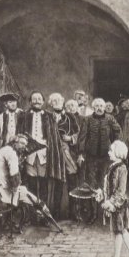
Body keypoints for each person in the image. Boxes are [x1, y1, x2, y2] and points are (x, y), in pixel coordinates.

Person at [96, 140, 129, 257]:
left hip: (119, 206)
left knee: (123, 231)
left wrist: (112, 203)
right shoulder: (112, 167)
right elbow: (108, 186)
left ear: (118, 153)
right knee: (117, 231)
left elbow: (121, 191)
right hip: (114, 205)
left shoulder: (122, 168)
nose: (108, 153)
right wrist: (102, 194)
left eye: (111, 150)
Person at [17, 91, 65, 210]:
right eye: (34, 99)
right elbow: (19, 133)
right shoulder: (24, 116)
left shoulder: (49, 116)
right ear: (30, 102)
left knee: (44, 185)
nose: (37, 101)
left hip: (44, 155)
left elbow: (54, 136)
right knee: (31, 185)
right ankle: (32, 213)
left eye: (39, 99)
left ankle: (43, 213)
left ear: (43, 102)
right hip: (29, 155)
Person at [0, 133, 51, 220]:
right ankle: (43, 211)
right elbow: (14, 175)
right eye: (22, 143)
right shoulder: (11, 153)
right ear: (14, 142)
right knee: (26, 195)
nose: (24, 146)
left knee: (24, 192)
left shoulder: (5, 149)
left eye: (25, 144)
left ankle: (40, 211)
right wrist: (16, 186)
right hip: (2, 188)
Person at [78, 97, 122, 194]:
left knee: (104, 178)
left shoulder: (110, 118)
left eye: (101, 106)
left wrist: (116, 146)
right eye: (97, 106)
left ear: (104, 107)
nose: (99, 108)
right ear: (93, 107)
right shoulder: (87, 119)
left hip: (106, 154)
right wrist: (81, 153)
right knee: (91, 179)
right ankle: (93, 200)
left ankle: (103, 200)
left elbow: (118, 131)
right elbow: (82, 137)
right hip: (91, 155)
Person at [48, 92, 79, 220]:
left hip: (67, 151)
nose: (57, 103)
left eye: (59, 100)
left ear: (63, 101)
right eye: (54, 101)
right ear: (51, 104)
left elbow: (78, 133)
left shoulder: (70, 117)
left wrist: (70, 138)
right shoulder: (47, 116)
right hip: (53, 152)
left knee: (72, 180)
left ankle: (73, 212)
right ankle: (56, 213)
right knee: (58, 181)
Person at [115, 96, 129, 189]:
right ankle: (122, 181)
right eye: (127, 103)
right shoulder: (121, 114)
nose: (128, 105)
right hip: (123, 139)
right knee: (122, 159)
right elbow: (116, 123)